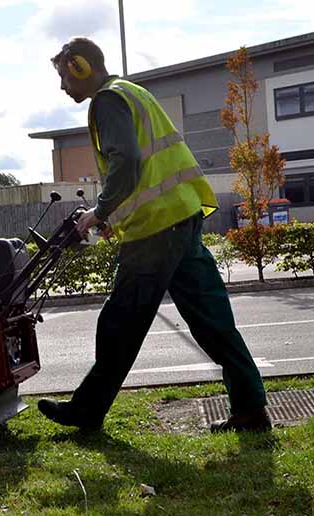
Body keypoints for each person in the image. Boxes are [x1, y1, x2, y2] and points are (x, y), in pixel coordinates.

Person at [37, 38, 271, 433]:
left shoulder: (107, 101)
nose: (62, 87)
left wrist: (99, 212)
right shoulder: (132, 92)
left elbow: (126, 162)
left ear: (79, 67)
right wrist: (114, 217)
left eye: (63, 75)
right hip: (183, 218)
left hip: (155, 231)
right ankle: (251, 409)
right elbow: (145, 169)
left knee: (119, 325)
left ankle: (87, 411)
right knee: (214, 321)